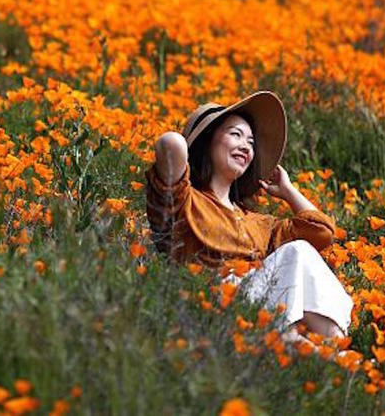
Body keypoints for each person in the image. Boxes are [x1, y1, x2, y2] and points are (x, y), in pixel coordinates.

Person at [146, 91, 353, 344]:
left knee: (300, 251)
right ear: (208, 142)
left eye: (251, 142)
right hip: (213, 307)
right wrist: (192, 140)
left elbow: (321, 232)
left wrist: (289, 192)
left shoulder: (259, 223)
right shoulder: (185, 201)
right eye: (235, 134)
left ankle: (337, 350)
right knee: (296, 253)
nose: (246, 145)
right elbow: (171, 144)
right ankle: (305, 350)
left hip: (263, 311)